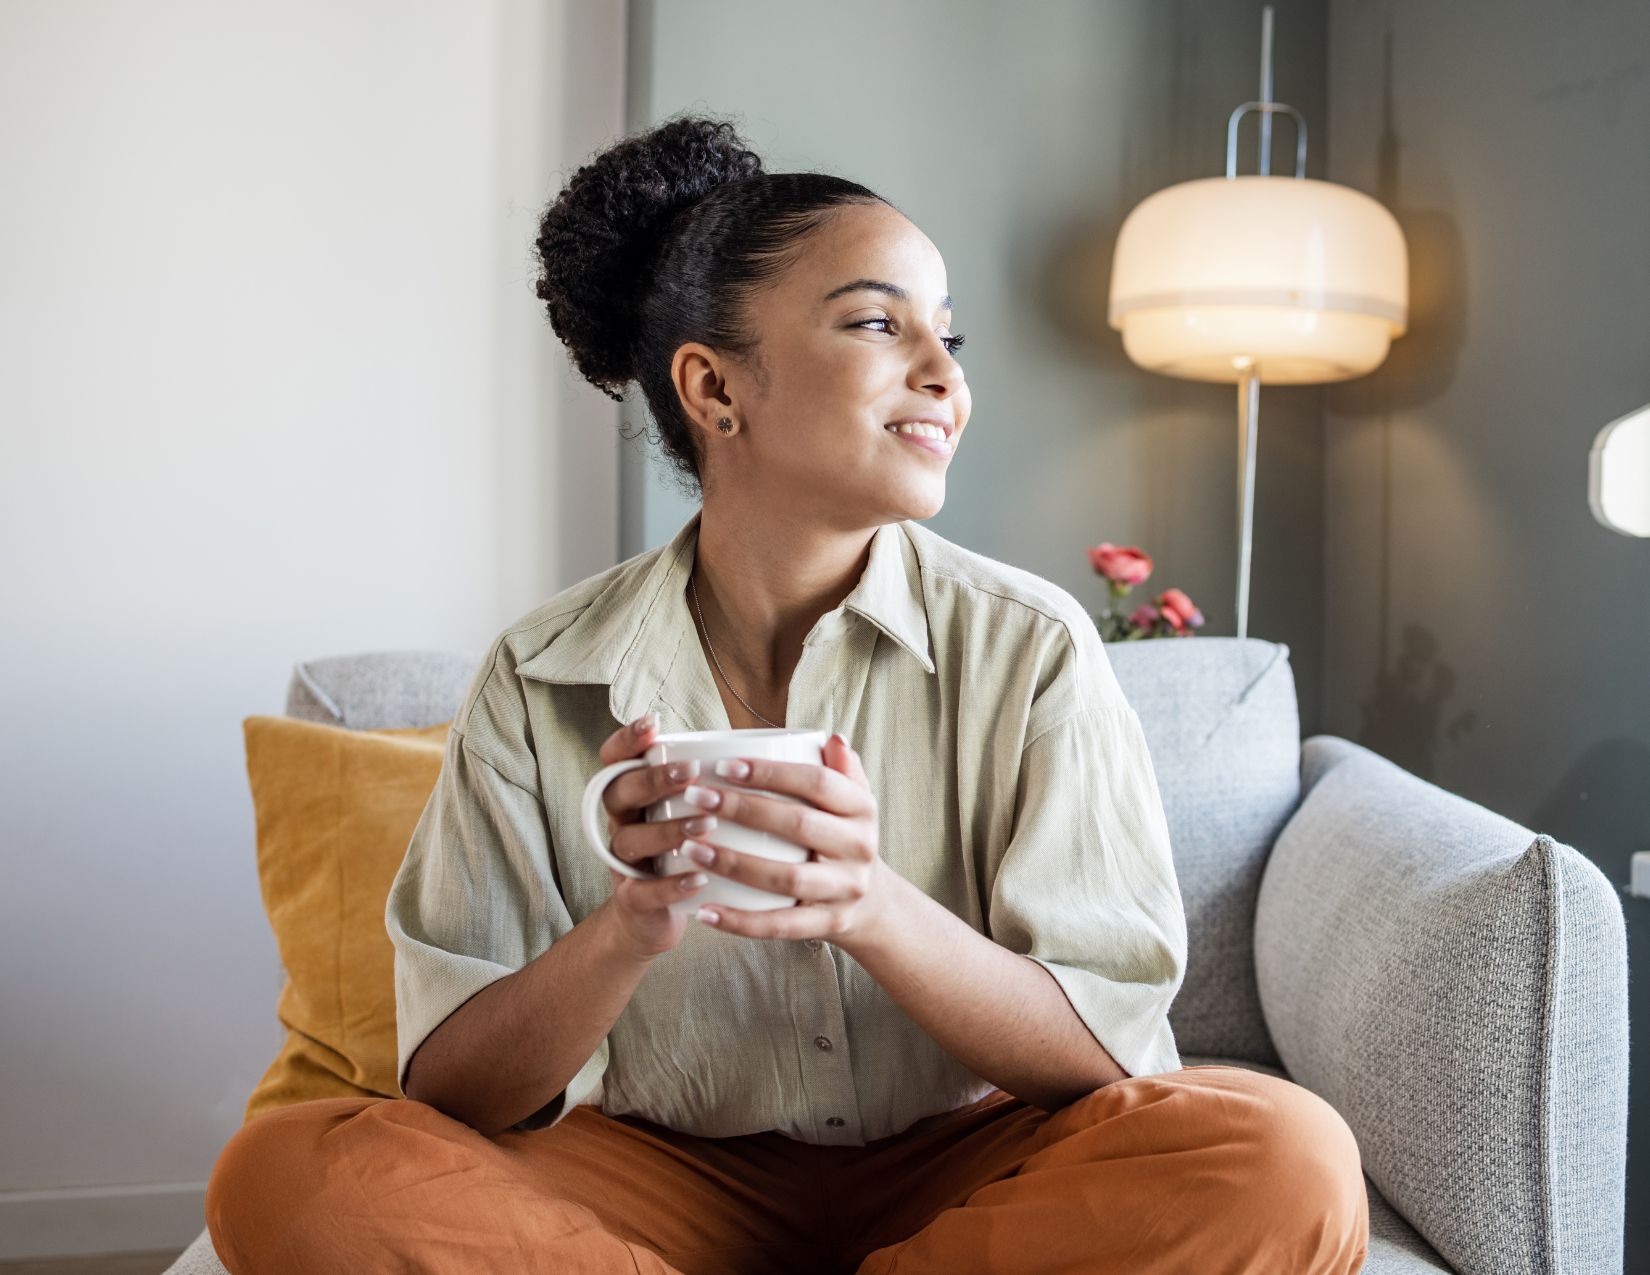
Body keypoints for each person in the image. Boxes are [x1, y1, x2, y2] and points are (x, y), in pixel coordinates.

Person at [204, 113, 1370, 1274]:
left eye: (949, 337)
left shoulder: (1034, 648)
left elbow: (1108, 1057)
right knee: (289, 1175)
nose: (942, 374)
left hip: (974, 1164)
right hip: (652, 1177)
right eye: (878, 322)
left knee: (1286, 1159)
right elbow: (457, 1089)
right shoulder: (537, 674)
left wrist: (869, 905)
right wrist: (629, 926)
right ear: (714, 389)